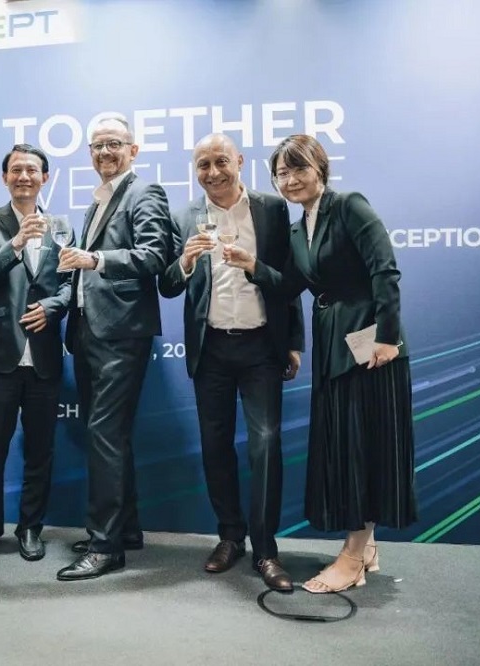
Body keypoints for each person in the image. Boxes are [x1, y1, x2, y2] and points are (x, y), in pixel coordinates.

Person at [232, 133, 417, 593]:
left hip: (373, 349)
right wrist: (251, 264)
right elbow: (288, 285)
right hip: (334, 347)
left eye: (299, 169)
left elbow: (385, 270)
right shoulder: (300, 228)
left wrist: (388, 337)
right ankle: (366, 547)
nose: (290, 180)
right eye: (281, 173)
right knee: (349, 449)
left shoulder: (349, 205)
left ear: (321, 169)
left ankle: (352, 558)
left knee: (365, 451)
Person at [158, 133, 304, 591]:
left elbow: (288, 279)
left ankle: (266, 550)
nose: (213, 172)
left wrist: (294, 342)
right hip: (212, 349)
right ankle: (229, 536)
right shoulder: (184, 216)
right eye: (203, 165)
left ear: (239, 161)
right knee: (215, 446)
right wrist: (184, 262)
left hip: (261, 346)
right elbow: (166, 285)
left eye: (221, 161)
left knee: (265, 446)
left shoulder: (272, 208)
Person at [55, 116, 172, 581]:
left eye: (113, 144)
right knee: (109, 436)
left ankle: (105, 546)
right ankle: (125, 530)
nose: (104, 152)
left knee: (104, 434)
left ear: (133, 150)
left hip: (121, 333)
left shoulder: (145, 193)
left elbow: (154, 256)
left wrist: (95, 258)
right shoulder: (99, 200)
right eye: (97, 145)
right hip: (89, 331)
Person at [0, 144, 72, 560]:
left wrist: (53, 306)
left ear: (44, 178)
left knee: (40, 451)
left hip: (44, 358)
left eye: (32, 170)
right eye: (16, 170)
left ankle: (31, 528)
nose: (24, 176)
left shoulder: (61, 226)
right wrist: (15, 243)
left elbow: (71, 283)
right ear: (5, 177)